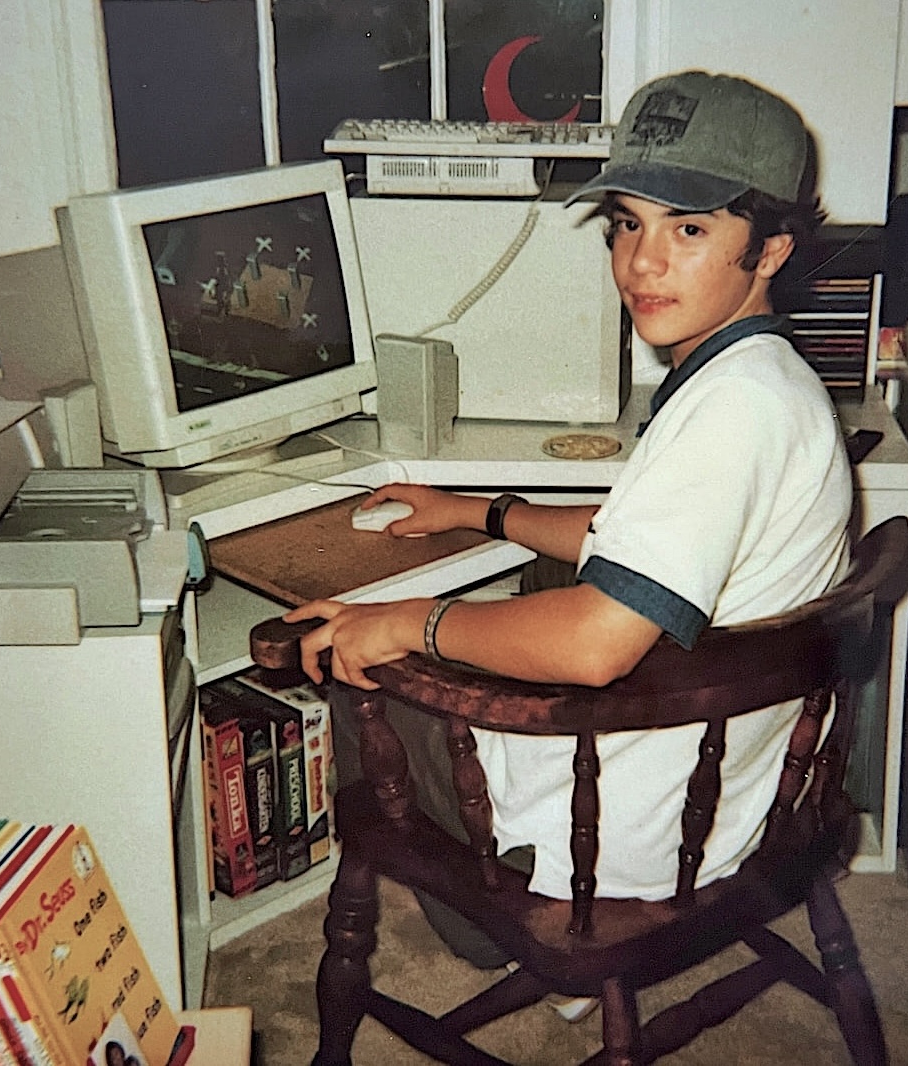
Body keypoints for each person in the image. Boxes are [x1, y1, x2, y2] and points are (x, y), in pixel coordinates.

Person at [285, 70, 852, 965]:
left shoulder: (737, 410)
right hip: (721, 790)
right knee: (486, 609)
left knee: (338, 667)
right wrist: (478, 510)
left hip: (628, 838)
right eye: (628, 221)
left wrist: (406, 624)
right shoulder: (759, 376)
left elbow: (594, 645)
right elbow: (631, 533)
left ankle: (503, 929)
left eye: (689, 229)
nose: (641, 261)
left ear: (772, 249)